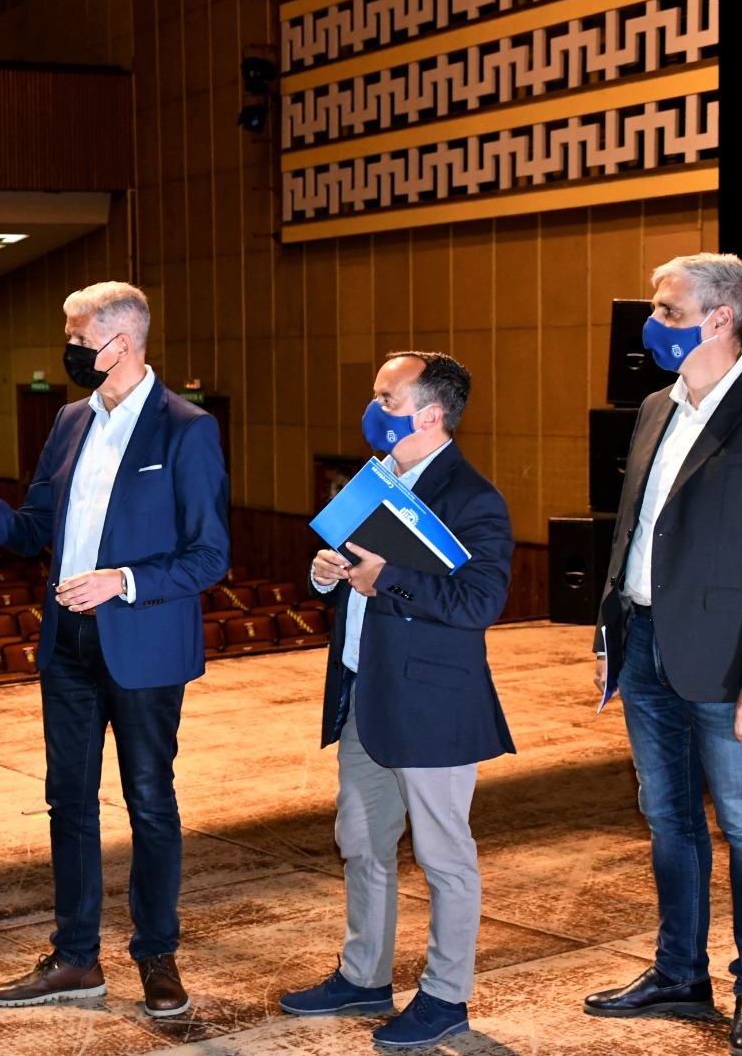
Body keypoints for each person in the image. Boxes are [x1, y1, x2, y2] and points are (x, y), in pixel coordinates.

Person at [0, 281, 230, 1017]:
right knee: (68, 803)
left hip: (144, 643)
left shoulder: (186, 429)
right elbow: (34, 531)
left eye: (77, 334)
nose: (67, 347)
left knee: (150, 802)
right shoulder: (68, 422)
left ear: (120, 343)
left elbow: (209, 555)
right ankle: (76, 959)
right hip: (68, 643)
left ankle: (157, 954)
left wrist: (121, 580)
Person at [584, 253, 742, 1056]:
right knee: (667, 819)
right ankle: (678, 973)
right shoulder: (657, 405)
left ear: (719, 318)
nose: (652, 324)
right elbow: (628, 530)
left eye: (668, 309)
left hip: (730, 664)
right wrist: (608, 636)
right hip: (647, 642)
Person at [279, 352, 513, 1050]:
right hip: (364, 693)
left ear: (430, 414)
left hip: (433, 705)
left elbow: (480, 602)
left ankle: (445, 997)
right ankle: (364, 977)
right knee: (361, 844)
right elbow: (349, 575)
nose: (374, 407)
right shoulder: (374, 483)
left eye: (387, 397)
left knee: (444, 858)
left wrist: (389, 578)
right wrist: (329, 573)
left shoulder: (473, 497)